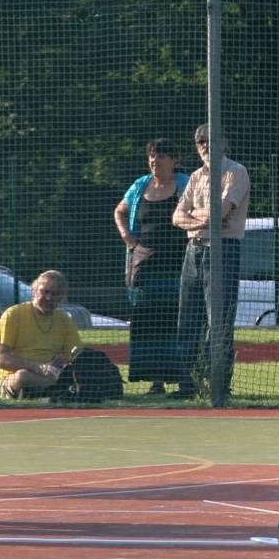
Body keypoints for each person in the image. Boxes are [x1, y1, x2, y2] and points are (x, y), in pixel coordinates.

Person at [173, 123, 248, 399]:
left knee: (219, 321)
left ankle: (218, 386)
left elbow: (222, 211)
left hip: (223, 251)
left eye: (210, 139)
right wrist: (203, 219)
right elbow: (176, 217)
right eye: (200, 141)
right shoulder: (195, 176)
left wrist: (196, 215)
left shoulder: (236, 172)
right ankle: (188, 385)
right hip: (193, 252)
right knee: (188, 321)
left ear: (224, 142)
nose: (205, 145)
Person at [114, 139, 186, 395]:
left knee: (177, 320)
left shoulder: (186, 183)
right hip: (145, 267)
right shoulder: (140, 185)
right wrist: (129, 239)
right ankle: (156, 382)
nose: (155, 160)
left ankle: (184, 378)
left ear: (175, 160)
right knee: (148, 322)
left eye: (162, 156)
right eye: (152, 156)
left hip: (178, 265)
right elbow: (119, 212)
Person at [0, 269, 80, 399]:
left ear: (62, 297)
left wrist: (63, 363)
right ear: (34, 291)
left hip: (52, 375)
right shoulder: (13, 314)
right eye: (45, 292)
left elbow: (76, 355)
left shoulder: (64, 320)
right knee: (23, 376)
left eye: (56, 294)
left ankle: (51, 392)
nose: (49, 298)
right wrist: (39, 368)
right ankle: (57, 390)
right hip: (17, 378)